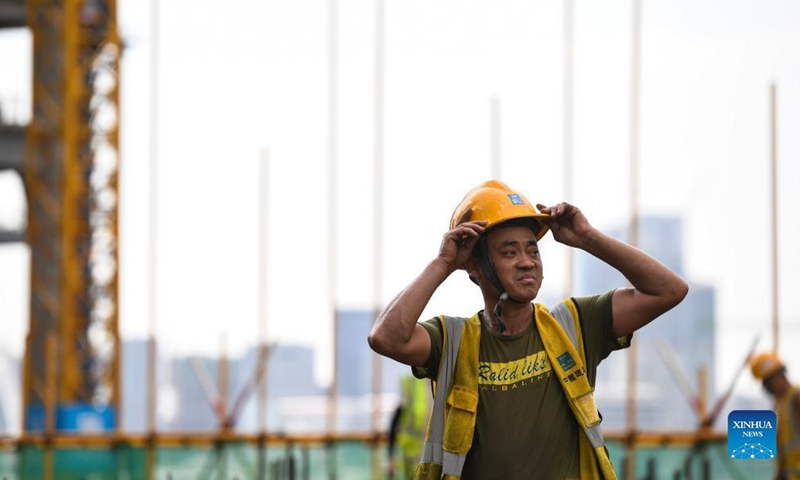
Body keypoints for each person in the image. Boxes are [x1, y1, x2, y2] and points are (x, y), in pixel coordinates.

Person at [367, 180, 688, 480]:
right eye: (509, 252)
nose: (526, 262)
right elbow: (386, 337)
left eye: (533, 250)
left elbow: (668, 290)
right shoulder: (453, 341)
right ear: (475, 266)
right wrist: (444, 264)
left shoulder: (574, 325)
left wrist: (588, 237)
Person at [750, 352, 800, 480]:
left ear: (778, 376)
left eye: (767, 384)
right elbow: (784, 449)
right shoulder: (782, 405)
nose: (768, 390)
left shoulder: (796, 398)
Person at [388, 374, 434, 479]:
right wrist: (391, 456)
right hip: (411, 457)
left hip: (433, 458)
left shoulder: (443, 384)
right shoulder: (411, 384)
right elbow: (394, 422)